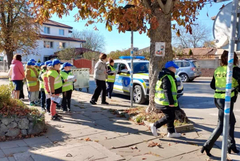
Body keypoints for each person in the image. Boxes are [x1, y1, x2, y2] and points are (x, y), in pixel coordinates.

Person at [201, 51, 240, 156]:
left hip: (218, 99)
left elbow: (212, 85)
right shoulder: (234, 70)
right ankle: (207, 145)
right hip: (227, 100)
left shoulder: (218, 69)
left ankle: (231, 145)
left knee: (231, 121)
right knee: (222, 124)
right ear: (235, 58)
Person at [150, 61, 182, 138]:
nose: (175, 69)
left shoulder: (166, 76)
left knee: (172, 115)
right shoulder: (167, 77)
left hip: (163, 101)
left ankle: (171, 132)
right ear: (170, 68)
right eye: (174, 68)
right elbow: (166, 90)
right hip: (165, 102)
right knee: (169, 116)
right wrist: (171, 102)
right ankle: (155, 125)